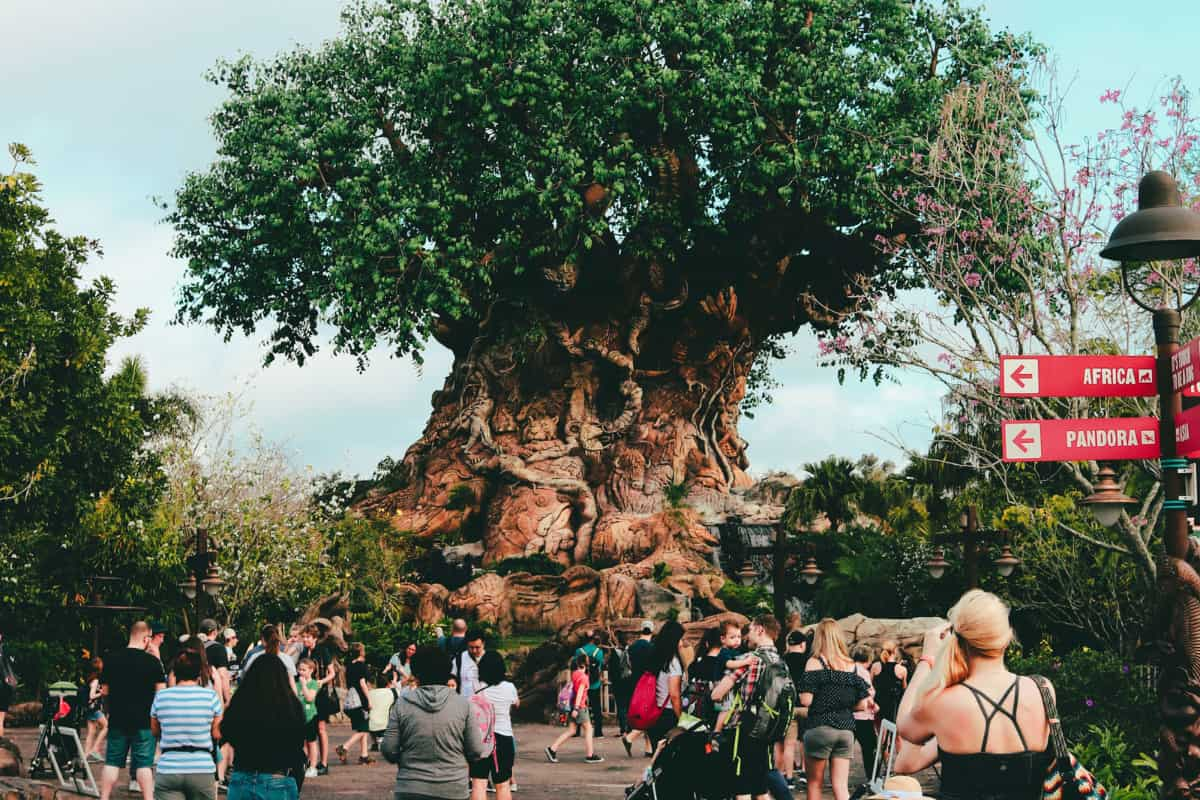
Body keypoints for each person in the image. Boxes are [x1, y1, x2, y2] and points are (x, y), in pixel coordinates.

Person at [897, 590, 1054, 800]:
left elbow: (905, 728)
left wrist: (927, 659)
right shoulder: (1042, 689)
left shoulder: (943, 701)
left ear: (959, 640)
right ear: (1007, 637)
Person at [381, 645, 487, 800]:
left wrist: (408, 760)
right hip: (453, 787)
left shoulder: (402, 704)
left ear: (416, 673)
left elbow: (389, 749)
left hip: (411, 787)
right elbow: (476, 750)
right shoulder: (463, 704)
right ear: (447, 672)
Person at [711, 615, 785, 800]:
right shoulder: (780, 662)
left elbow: (717, 694)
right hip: (767, 730)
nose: (747, 636)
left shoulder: (749, 659)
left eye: (750, 630)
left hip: (743, 732)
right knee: (760, 788)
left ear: (760, 630)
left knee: (742, 787)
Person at [798, 619, 870, 800]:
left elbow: (806, 700)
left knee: (815, 785)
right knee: (841, 787)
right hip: (846, 731)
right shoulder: (852, 665)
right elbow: (862, 704)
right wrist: (841, 702)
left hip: (820, 727)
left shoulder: (815, 662)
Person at [221, 655, 306, 800]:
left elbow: (227, 732)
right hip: (277, 775)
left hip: (243, 774)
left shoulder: (241, 703)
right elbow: (298, 741)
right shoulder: (292, 706)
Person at [98, 621, 167, 800]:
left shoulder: (112, 659)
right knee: (144, 765)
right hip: (145, 722)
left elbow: (104, 691)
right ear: (146, 638)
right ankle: (148, 798)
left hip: (118, 719)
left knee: (112, 762)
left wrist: (109, 710)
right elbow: (161, 693)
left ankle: (104, 797)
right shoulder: (152, 663)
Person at [151, 649, 223, 800]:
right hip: (202, 769)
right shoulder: (210, 697)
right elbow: (217, 733)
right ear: (199, 673)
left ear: (175, 672)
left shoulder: (162, 697)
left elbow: (155, 731)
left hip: (168, 768)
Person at [469, 651, 519, 800]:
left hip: (481, 740)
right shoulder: (509, 687)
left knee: (479, 784)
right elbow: (516, 703)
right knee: (503, 784)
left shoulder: (477, 688)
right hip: (503, 739)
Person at [545, 654, 603, 764]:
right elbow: (580, 693)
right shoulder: (584, 677)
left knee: (572, 730)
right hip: (579, 707)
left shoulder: (575, 674)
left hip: (572, 706)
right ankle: (590, 755)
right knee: (589, 729)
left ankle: (552, 749)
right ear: (585, 664)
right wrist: (576, 708)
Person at [296, 625, 336, 776]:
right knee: (308, 730)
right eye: (304, 637)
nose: (305, 639)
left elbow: (332, 673)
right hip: (306, 695)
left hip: (320, 694)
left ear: (314, 638)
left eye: (307, 637)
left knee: (320, 729)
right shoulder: (304, 652)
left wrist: (322, 681)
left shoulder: (323, 650)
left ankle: (324, 762)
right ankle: (310, 761)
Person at [780, 630, 810, 789]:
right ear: (803, 644)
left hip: (789, 706)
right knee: (805, 741)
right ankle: (805, 773)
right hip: (806, 705)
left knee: (789, 744)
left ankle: (789, 778)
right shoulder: (809, 661)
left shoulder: (782, 660)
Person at [620, 621, 656, 757]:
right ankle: (630, 738)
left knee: (643, 715)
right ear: (652, 631)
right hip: (647, 685)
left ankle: (648, 748)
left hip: (632, 684)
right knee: (649, 714)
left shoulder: (631, 647)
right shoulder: (652, 648)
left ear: (641, 630)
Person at [336, 642, 374, 766]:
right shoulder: (361, 666)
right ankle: (344, 747)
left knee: (361, 727)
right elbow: (363, 684)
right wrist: (369, 700)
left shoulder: (349, 666)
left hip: (350, 700)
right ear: (361, 652)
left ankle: (364, 756)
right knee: (364, 728)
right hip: (360, 700)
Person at [851, 646, 879, 774]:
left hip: (849, 715)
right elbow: (866, 692)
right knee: (870, 747)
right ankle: (873, 777)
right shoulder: (863, 672)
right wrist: (872, 703)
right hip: (862, 716)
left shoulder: (848, 668)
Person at [574, 630, 606, 737]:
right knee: (596, 707)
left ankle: (576, 730)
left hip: (581, 683)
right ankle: (598, 731)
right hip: (594, 683)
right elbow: (601, 667)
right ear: (593, 639)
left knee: (579, 704)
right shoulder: (599, 652)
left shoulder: (579, 651)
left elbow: (575, 665)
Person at [870, 640, 908, 726]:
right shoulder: (902, 670)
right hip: (892, 707)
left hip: (877, 704)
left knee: (878, 730)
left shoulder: (875, 666)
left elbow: (869, 684)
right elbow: (904, 688)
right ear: (895, 652)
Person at [295, 659, 320, 778]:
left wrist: (304, 685)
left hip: (310, 716)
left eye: (304, 670)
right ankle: (303, 764)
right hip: (299, 717)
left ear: (311, 670)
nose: (301, 672)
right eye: (299, 669)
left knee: (312, 742)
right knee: (302, 743)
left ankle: (313, 767)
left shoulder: (313, 683)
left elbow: (310, 698)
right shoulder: (296, 683)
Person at [198, 620, 231, 707]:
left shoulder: (191, 646)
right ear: (215, 632)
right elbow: (222, 675)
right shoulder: (218, 648)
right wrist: (227, 698)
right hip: (211, 696)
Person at [83, 657, 108, 762]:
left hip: (89, 709)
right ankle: (95, 749)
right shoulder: (96, 680)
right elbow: (91, 696)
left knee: (91, 731)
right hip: (94, 709)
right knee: (106, 726)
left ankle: (86, 755)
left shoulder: (91, 679)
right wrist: (100, 693)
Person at [456, 630, 485, 698]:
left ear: (483, 644)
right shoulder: (459, 659)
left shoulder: (490, 659)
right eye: (471, 647)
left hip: (484, 704)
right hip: (463, 703)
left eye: (477, 647)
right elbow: (452, 677)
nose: (474, 651)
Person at [0, 628, 16, 739]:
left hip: (3, 686)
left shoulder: (4, 651)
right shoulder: (5, 651)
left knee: (0, 718)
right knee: (0, 718)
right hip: (4, 686)